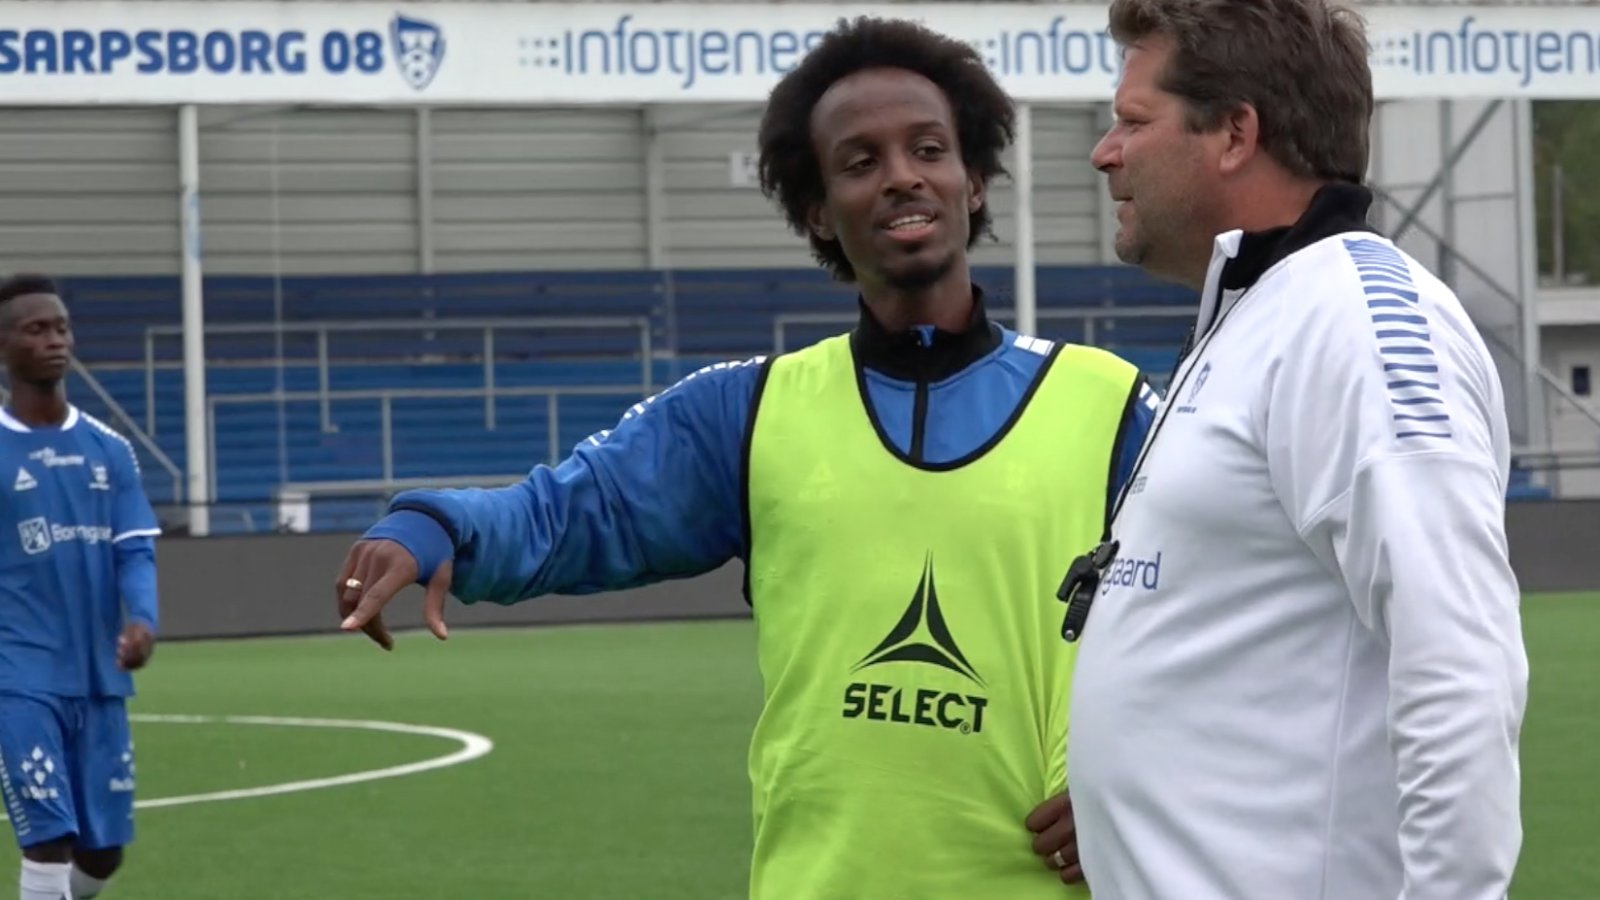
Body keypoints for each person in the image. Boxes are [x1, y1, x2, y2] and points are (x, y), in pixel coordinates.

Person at [336, 16, 1158, 900]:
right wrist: (435, 525)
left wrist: (1146, 773)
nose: (901, 176)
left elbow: (1227, 626)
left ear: (975, 180)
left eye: (929, 149)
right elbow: (570, 513)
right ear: (817, 210)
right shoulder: (750, 412)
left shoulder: (1109, 405)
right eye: (860, 162)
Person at [1060, 0, 1529, 897]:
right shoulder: (1265, 307)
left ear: (1235, 134)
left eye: (1132, 121)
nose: (1104, 152)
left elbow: (1460, 667)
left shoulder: (1354, 320)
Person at [0, 275, 162, 900]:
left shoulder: (110, 449)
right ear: (4, 346)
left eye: (62, 328)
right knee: (47, 839)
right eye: (36, 329)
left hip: (98, 676)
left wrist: (142, 620)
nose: (56, 340)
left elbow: (136, 551)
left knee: (102, 852)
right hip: (19, 675)